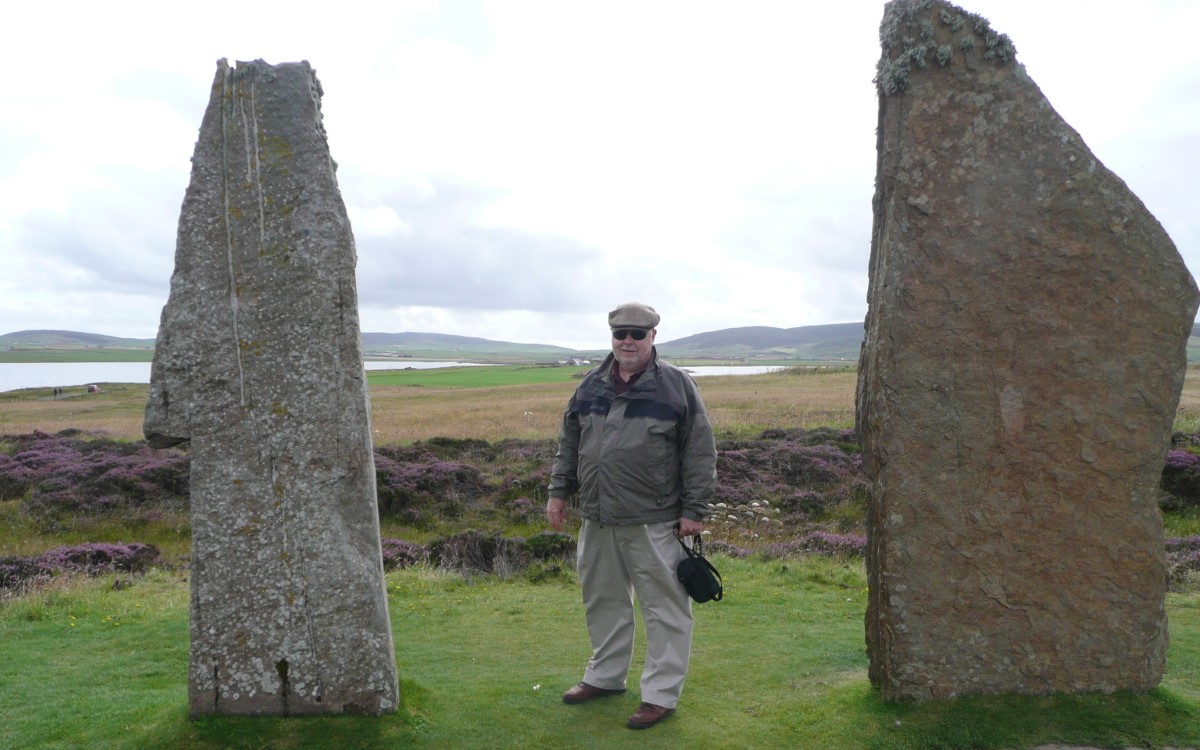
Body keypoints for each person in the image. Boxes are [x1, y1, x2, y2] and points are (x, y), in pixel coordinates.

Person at [546, 301, 718, 730]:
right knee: (603, 600)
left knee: (665, 608)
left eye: (637, 334)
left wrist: (694, 510)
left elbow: (699, 452)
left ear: (653, 338)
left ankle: (660, 696)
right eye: (620, 333)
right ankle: (605, 678)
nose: (628, 341)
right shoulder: (591, 385)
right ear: (612, 337)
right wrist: (558, 492)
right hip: (598, 516)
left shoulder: (677, 386)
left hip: (654, 518)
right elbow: (570, 442)